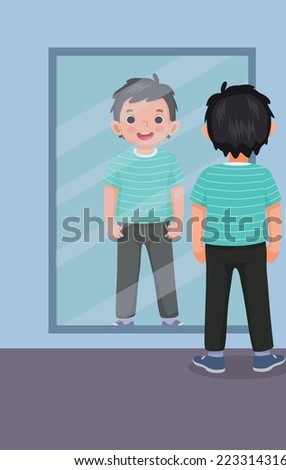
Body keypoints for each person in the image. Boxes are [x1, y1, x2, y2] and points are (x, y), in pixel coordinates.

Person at [191, 82, 285, 373]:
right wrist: (275, 244)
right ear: (268, 130)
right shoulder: (264, 176)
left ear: (209, 133)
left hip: (216, 248)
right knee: (258, 300)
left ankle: (214, 357)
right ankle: (263, 355)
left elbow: (198, 214)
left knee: (215, 301)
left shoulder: (208, 176)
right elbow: (274, 213)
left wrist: (197, 246)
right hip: (254, 248)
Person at [103, 74, 184, 327]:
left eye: (158, 118)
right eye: (131, 119)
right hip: (127, 225)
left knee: (164, 272)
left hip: (161, 224)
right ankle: (124, 317)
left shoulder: (169, 161)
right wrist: (110, 222)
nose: (145, 126)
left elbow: (177, 192)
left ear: (172, 126)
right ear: (117, 127)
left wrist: (178, 221)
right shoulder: (118, 162)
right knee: (126, 273)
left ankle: (170, 317)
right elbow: (111, 193)